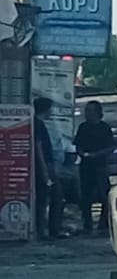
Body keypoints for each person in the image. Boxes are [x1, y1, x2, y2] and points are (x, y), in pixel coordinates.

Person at [74, 100, 115, 235]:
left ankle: (103, 224)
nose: (87, 114)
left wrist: (97, 154)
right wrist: (82, 154)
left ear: (97, 113)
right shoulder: (83, 127)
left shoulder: (104, 128)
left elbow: (110, 147)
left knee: (104, 195)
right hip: (86, 166)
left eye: (90, 111)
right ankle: (87, 224)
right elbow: (78, 144)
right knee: (85, 197)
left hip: (100, 166)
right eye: (86, 111)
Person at [31, 96, 64, 240]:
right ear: (46, 109)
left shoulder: (37, 123)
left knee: (44, 198)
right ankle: (48, 230)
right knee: (54, 197)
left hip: (44, 166)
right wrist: (45, 170)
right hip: (44, 166)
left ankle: (45, 230)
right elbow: (38, 147)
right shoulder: (38, 124)